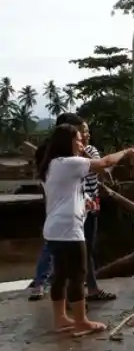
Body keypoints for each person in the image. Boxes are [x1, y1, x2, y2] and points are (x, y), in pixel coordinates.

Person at [39, 124, 134, 333]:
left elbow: (63, 196)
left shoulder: (51, 164)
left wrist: (84, 203)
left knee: (61, 274)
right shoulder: (69, 163)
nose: (82, 143)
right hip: (68, 228)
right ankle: (81, 321)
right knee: (78, 273)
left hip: (54, 227)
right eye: (79, 140)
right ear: (68, 142)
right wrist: (126, 152)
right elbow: (105, 163)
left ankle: (61, 318)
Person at [29, 112, 85, 301]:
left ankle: (43, 282)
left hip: (58, 203)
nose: (80, 136)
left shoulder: (51, 153)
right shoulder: (59, 157)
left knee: (56, 250)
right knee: (60, 252)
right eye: (76, 132)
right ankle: (42, 281)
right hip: (60, 206)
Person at [80, 121, 116, 301]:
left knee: (88, 248)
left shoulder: (91, 151)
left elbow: (102, 168)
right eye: (81, 132)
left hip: (92, 204)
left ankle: (91, 289)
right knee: (74, 250)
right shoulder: (65, 158)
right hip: (76, 207)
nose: (85, 135)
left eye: (86, 131)